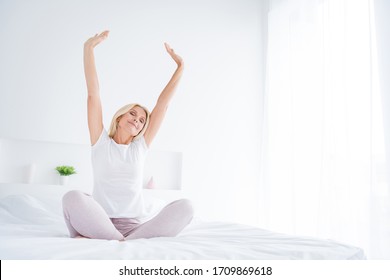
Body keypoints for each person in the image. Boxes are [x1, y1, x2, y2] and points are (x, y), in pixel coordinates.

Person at [62, 31, 193, 241]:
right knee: (72, 197)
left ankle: (117, 240)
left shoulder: (139, 147)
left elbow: (162, 105)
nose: (137, 120)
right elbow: (93, 94)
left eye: (142, 120)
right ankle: (115, 238)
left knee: (187, 206)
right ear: (120, 117)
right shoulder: (100, 142)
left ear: (142, 128)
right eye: (132, 113)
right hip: (99, 221)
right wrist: (88, 49)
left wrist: (181, 67)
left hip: (135, 228)